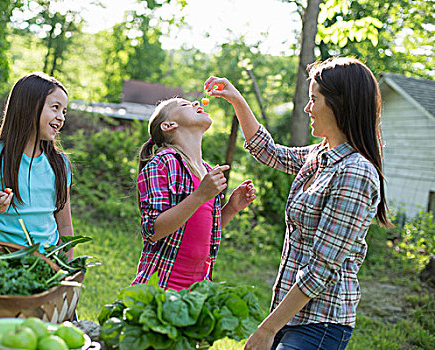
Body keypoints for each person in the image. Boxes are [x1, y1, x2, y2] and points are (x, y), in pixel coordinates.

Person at [204, 56, 392, 350]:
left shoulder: (355, 172)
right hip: (290, 315)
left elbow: (321, 269)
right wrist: (237, 100)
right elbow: (269, 152)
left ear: (339, 104)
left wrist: (266, 331)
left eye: (313, 99)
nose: (307, 108)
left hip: (320, 323)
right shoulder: (321, 156)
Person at [132, 97, 257, 291]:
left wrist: (231, 208)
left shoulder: (205, 170)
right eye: (186, 105)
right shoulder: (162, 163)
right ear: (169, 125)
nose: (197, 104)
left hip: (197, 290)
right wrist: (199, 195)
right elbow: (152, 231)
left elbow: (202, 230)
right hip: (162, 286)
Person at [0, 72, 73, 255]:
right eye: (55, 107)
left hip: (43, 266)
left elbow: (65, 227)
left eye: (64, 111)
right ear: (29, 107)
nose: (61, 117)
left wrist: (66, 274)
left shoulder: (59, 164)